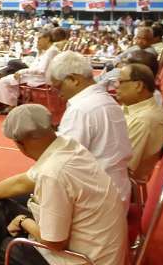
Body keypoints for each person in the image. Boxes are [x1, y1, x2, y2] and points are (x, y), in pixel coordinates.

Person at [0, 104, 127, 265]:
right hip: (98, 243)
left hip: (84, 259)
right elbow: (21, 182)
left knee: (4, 246)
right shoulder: (68, 144)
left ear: (20, 144)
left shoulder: (53, 173)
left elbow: (55, 243)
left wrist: (23, 220)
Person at [47, 51, 132, 203]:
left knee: (8, 205)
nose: (59, 94)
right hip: (114, 190)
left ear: (73, 79)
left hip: (96, 200)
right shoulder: (106, 100)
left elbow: (61, 164)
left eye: (58, 87)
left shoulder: (81, 109)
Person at [116, 64, 163, 181]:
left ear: (138, 86)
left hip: (115, 183)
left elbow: (121, 168)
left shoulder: (145, 121)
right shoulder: (131, 107)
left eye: (120, 82)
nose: (116, 86)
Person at [0, 30, 59, 114]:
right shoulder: (48, 51)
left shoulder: (52, 51)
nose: (37, 41)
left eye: (39, 39)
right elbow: (36, 65)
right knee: (8, 78)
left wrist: (22, 71)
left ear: (47, 39)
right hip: (36, 77)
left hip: (40, 80)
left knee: (5, 81)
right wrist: (39, 52)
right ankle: (11, 104)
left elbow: (41, 70)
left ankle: (10, 106)